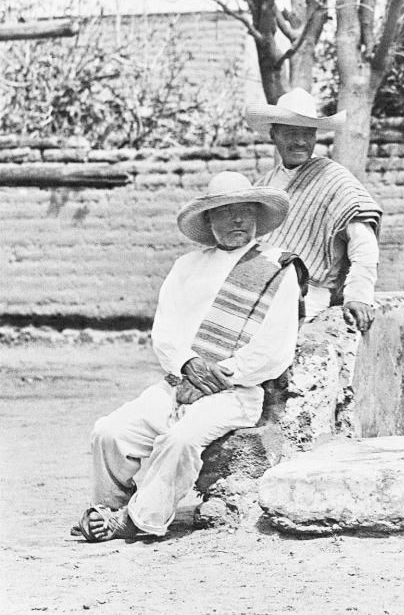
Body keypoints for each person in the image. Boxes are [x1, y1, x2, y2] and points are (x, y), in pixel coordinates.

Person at [76, 172, 302, 542]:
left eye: (246, 211)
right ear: (209, 221)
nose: (238, 220)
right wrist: (187, 366)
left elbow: (273, 350)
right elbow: (166, 333)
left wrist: (217, 376)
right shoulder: (186, 267)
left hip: (237, 392)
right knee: (109, 432)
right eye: (226, 212)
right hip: (178, 383)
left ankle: (138, 520)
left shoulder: (278, 268)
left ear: (258, 217)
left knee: (180, 440)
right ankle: (110, 507)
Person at [247, 88, 382, 328]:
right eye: (290, 132)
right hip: (256, 294)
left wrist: (358, 296)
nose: (300, 141)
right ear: (273, 135)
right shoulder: (263, 186)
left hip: (308, 298)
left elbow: (364, 245)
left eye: (307, 134)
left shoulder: (334, 179)